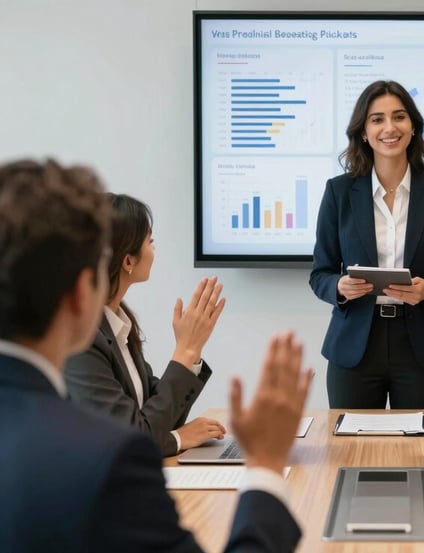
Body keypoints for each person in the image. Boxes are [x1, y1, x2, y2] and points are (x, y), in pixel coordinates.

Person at [0, 159, 312, 552]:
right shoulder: (109, 459)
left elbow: (148, 402)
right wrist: (265, 466)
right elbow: (138, 427)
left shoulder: (121, 327)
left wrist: (188, 355)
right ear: (83, 292)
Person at [310, 80, 424, 409]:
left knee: (422, 451)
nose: (389, 127)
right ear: (364, 132)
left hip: (422, 345)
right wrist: (340, 286)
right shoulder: (339, 192)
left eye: (399, 117)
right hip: (354, 345)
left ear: (413, 127)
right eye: (377, 119)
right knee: (349, 451)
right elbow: (320, 274)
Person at [65, 194, 227, 456]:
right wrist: (184, 351)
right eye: (150, 241)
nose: (154, 249)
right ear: (129, 260)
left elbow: (159, 414)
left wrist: (192, 351)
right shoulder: (82, 339)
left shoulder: (117, 323)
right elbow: (127, 441)